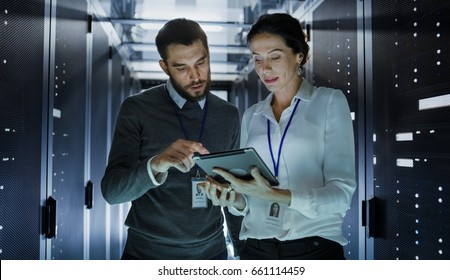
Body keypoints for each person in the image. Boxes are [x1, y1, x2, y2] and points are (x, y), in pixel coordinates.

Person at [202, 13, 356, 260]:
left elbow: (341, 195)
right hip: (257, 250)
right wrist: (233, 199)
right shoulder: (252, 115)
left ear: (300, 56)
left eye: (275, 56)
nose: (265, 68)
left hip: (313, 249)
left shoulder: (328, 102)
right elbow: (248, 202)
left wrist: (277, 196)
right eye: (257, 59)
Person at [101, 18, 243, 260]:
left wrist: (243, 254)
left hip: (212, 254)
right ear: (165, 67)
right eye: (182, 68)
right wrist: (156, 164)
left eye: (201, 62)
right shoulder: (136, 109)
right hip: (147, 255)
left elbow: (233, 189)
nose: (196, 76)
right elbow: (113, 192)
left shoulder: (228, 114)